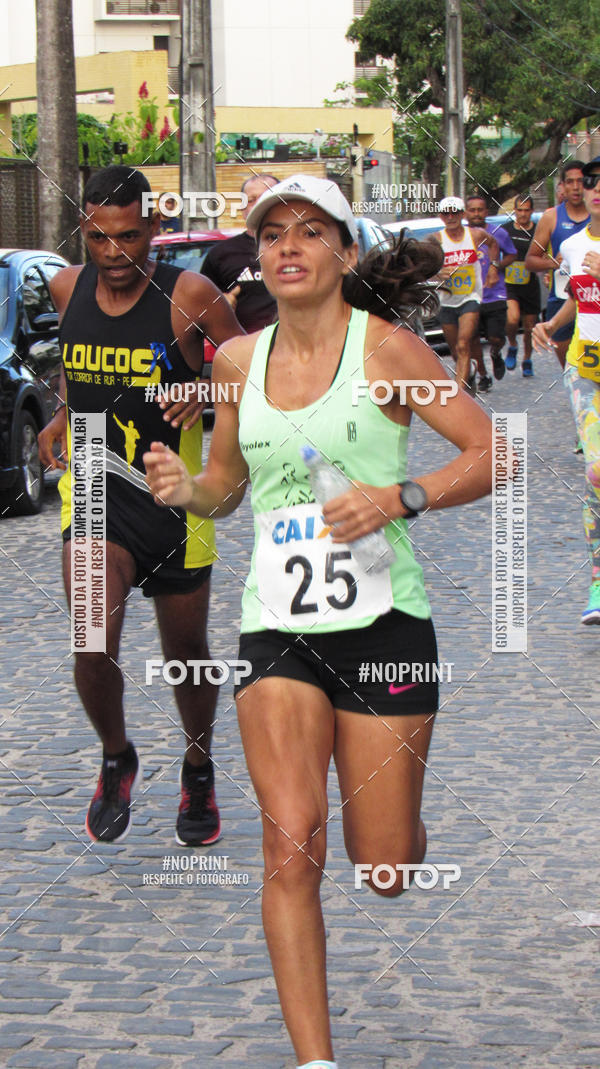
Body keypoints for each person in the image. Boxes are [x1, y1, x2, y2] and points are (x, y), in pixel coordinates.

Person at [144, 174, 493, 1068]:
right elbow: (227, 486)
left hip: (385, 627)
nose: (288, 247)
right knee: (290, 839)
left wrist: (401, 495)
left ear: (343, 250)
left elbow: (496, 450)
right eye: (272, 235)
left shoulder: (390, 350)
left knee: (383, 868)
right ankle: (317, 1061)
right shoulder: (235, 363)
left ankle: (400, 828)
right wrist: (190, 490)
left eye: (308, 231)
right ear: (257, 258)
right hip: (278, 631)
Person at [37, 165, 244, 846]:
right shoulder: (67, 287)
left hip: (175, 493)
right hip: (95, 485)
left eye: (129, 236)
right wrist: (62, 412)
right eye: (99, 237)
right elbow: (75, 363)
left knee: (186, 652)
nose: (114, 253)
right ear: (83, 230)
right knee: (92, 639)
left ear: (153, 228)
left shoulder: (190, 295)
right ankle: (116, 755)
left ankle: (198, 766)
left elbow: (253, 367)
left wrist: (208, 392)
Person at [532, 155, 600, 625]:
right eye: (590, 182)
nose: (595, 189)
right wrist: (551, 324)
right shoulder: (573, 245)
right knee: (596, 473)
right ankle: (598, 579)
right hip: (586, 368)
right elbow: (580, 298)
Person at [525, 161, 589, 368]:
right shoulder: (551, 217)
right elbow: (530, 261)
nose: (576, 187)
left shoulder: (596, 215)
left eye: (581, 181)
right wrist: (552, 263)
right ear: (562, 186)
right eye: (570, 182)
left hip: (592, 299)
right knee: (570, 369)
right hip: (561, 299)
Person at [433, 194, 499, 394]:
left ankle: (458, 394)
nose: (450, 217)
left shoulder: (475, 235)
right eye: (446, 214)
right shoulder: (436, 240)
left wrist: (493, 267)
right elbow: (422, 266)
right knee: (455, 351)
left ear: (462, 214)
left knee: (463, 344)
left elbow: (493, 244)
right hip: (447, 300)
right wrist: (437, 273)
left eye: (454, 213)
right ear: (441, 216)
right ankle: (469, 370)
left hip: (471, 297)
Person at [201, 173, 279, 331]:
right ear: (243, 208)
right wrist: (217, 307)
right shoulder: (221, 254)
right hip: (243, 344)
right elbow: (199, 309)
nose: (259, 204)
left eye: (266, 196)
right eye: (251, 200)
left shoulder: (301, 248)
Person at [464, 193, 517, 390]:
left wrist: (497, 266)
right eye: (472, 210)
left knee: (496, 336)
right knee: (473, 339)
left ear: (486, 212)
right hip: (469, 296)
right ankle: (483, 375)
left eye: (480, 210)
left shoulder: (498, 233)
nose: (476, 214)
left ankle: (496, 353)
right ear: (466, 213)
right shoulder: (460, 235)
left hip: (494, 293)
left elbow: (511, 254)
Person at [502, 194, 541, 376]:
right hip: (510, 283)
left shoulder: (538, 231)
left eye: (526, 210)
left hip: (530, 284)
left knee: (530, 326)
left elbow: (546, 251)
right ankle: (512, 345)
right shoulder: (506, 230)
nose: (523, 214)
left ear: (532, 211)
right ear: (514, 211)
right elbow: (493, 249)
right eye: (520, 210)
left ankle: (527, 359)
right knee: (512, 318)